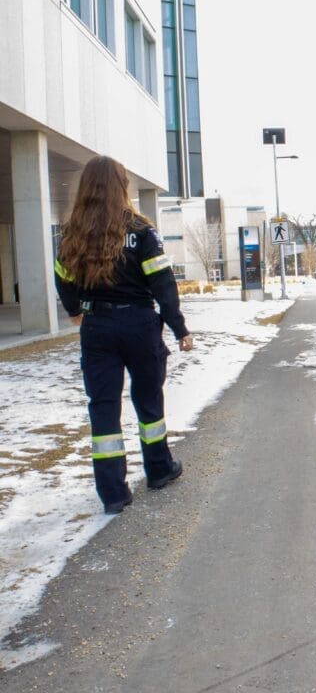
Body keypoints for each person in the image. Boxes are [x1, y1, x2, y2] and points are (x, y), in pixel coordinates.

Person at [54, 156, 193, 515]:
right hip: (139, 326)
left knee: (103, 408)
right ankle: (159, 470)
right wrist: (179, 328)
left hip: (97, 328)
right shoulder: (142, 231)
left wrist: (74, 311)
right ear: (121, 187)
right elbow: (163, 286)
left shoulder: (73, 233)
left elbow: (63, 277)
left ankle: (113, 493)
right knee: (148, 400)